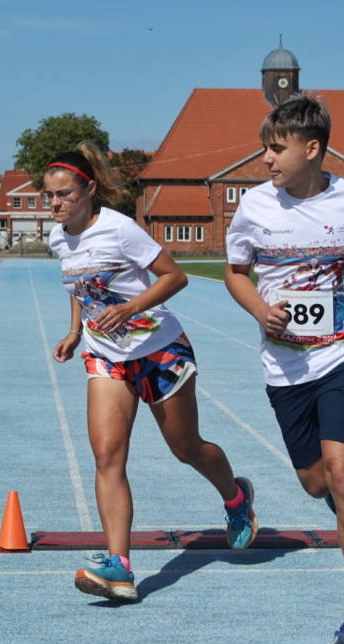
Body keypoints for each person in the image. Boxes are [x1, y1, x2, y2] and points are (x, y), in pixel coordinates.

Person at [224, 92, 344, 644]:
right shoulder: (254, 207)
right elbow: (235, 272)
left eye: (276, 149)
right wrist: (261, 310)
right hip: (285, 365)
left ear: (313, 149)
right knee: (317, 482)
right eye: (264, 149)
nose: (266, 160)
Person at [46, 141, 257, 602]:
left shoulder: (121, 230)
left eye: (64, 194)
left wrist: (130, 309)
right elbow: (80, 284)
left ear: (89, 190)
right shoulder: (58, 238)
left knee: (187, 448)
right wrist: (75, 330)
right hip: (106, 358)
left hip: (159, 350)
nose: (56, 204)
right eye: (50, 196)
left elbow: (174, 277)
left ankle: (236, 497)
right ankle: (119, 566)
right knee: (107, 457)